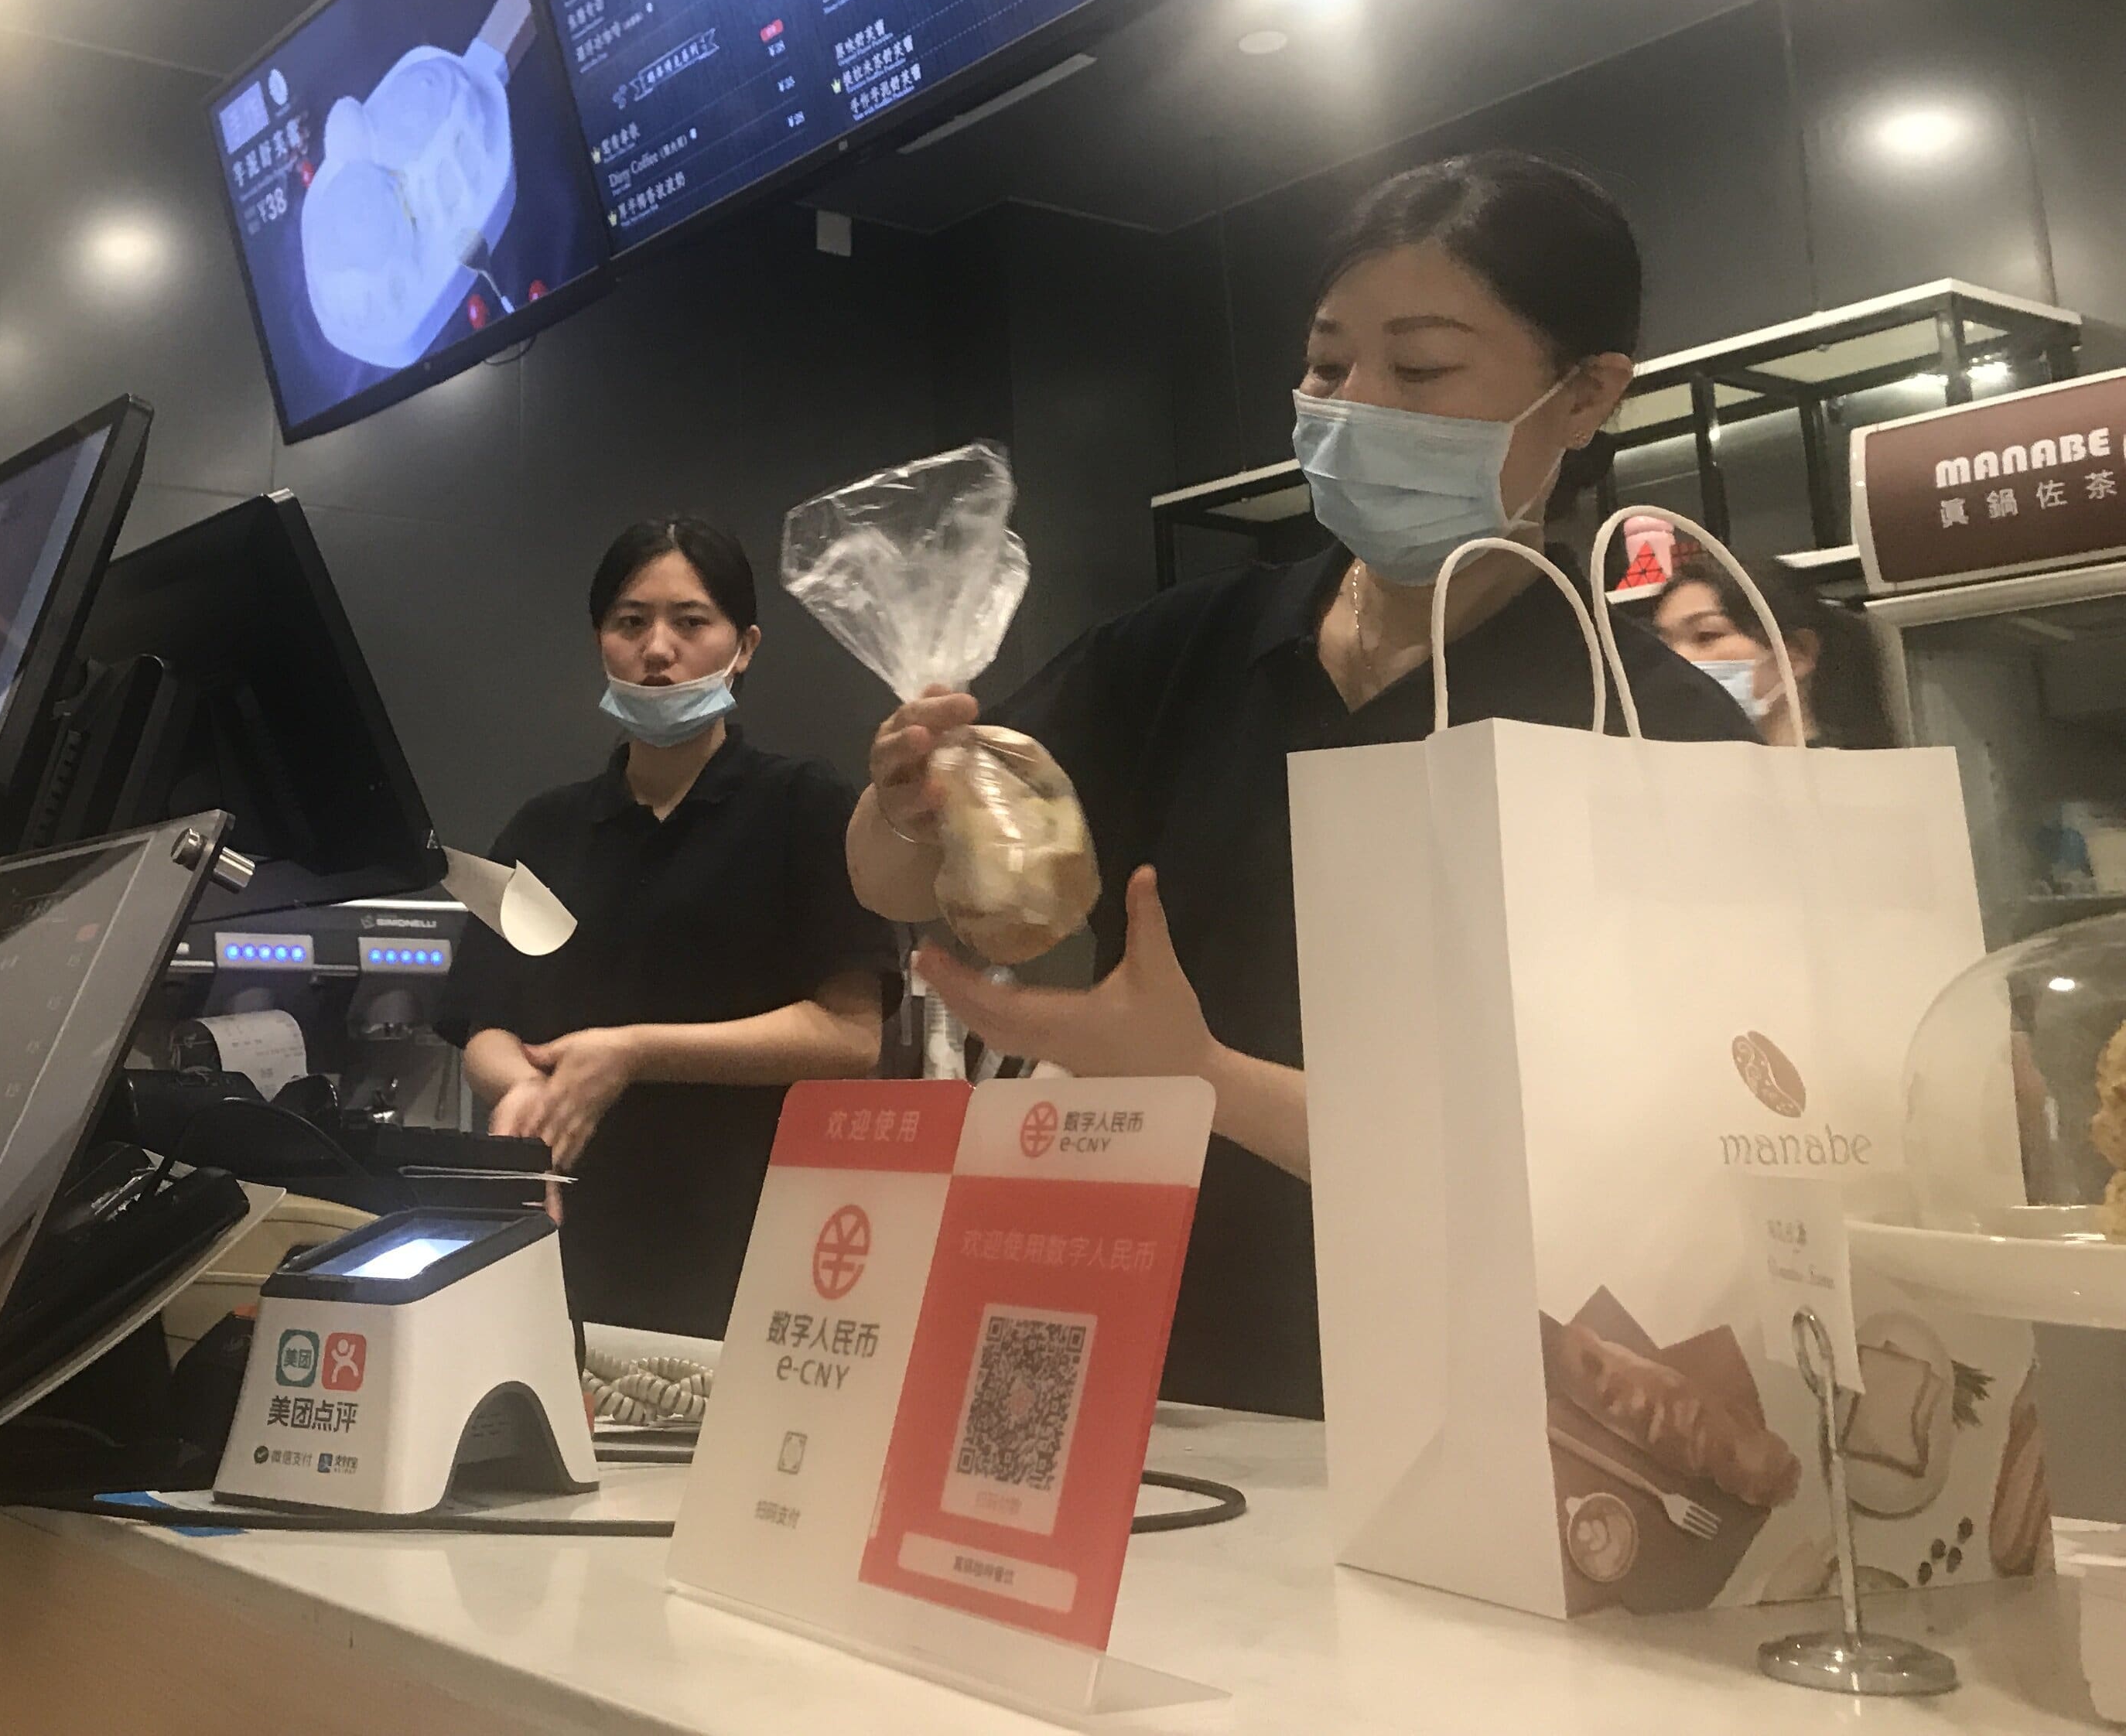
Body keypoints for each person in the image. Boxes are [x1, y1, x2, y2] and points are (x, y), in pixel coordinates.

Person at [844, 152, 1752, 1417]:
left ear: (1587, 393)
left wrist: (1195, 1072)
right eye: (1327, 366)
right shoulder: (1187, 648)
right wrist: (904, 801)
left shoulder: (1648, 725)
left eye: (1420, 369)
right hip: (1161, 1351)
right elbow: (900, 885)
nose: (1355, 405)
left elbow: (1628, 1152)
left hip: (1490, 1388)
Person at [441, 518, 892, 1338]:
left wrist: (634, 1052)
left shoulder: (805, 807)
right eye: (629, 622)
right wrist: (526, 1091)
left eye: (691, 622)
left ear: (743, 646)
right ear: (600, 642)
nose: (657, 649)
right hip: (566, 1244)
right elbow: (486, 1025)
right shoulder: (543, 829)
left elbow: (851, 1035)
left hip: (756, 1247)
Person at [1651, 546, 1896, 747]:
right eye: (1663, 645)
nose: (1675, 659)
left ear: (1798, 653)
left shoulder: (1856, 779)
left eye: (1706, 635)